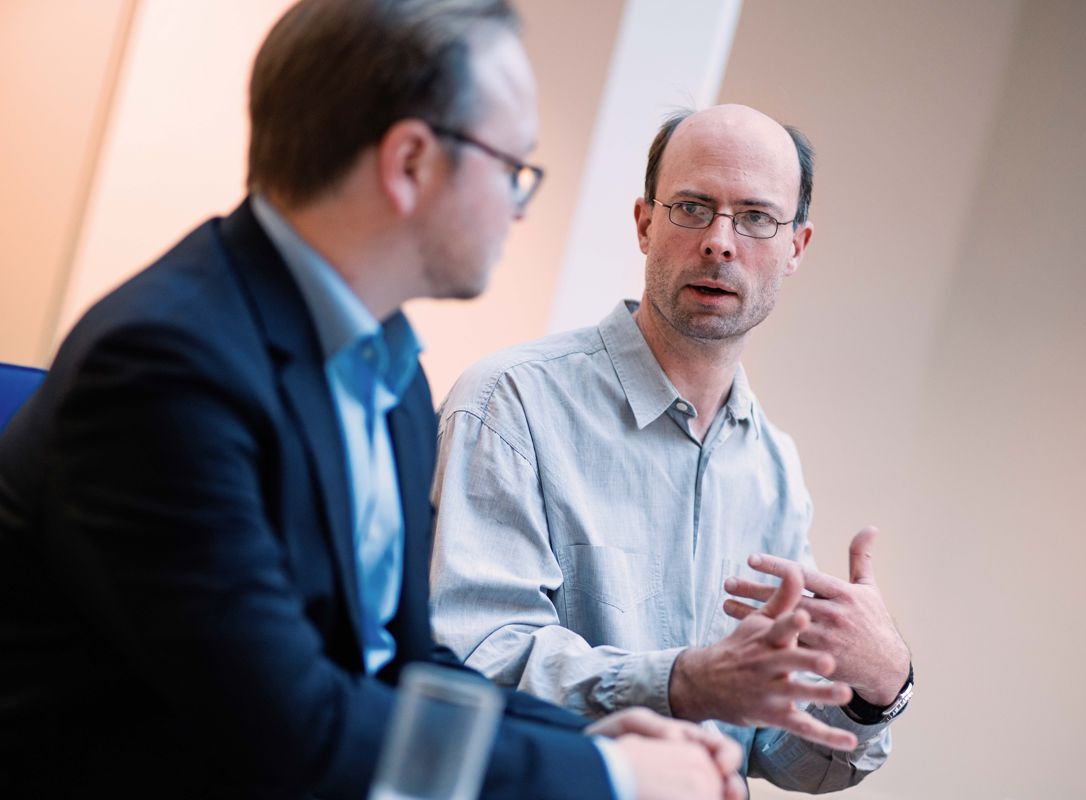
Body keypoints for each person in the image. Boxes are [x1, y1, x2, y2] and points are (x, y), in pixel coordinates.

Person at [0, 2, 748, 798]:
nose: (518, 207)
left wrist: (591, 735)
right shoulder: (165, 369)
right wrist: (610, 777)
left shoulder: (386, 371)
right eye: (512, 169)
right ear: (410, 164)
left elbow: (401, 664)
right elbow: (294, 732)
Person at [430, 104, 914, 791]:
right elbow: (470, 662)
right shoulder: (509, 404)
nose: (720, 241)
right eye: (692, 207)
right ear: (644, 223)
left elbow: (787, 751)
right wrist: (682, 683)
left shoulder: (774, 470)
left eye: (755, 217)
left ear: (797, 247)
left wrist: (878, 684)